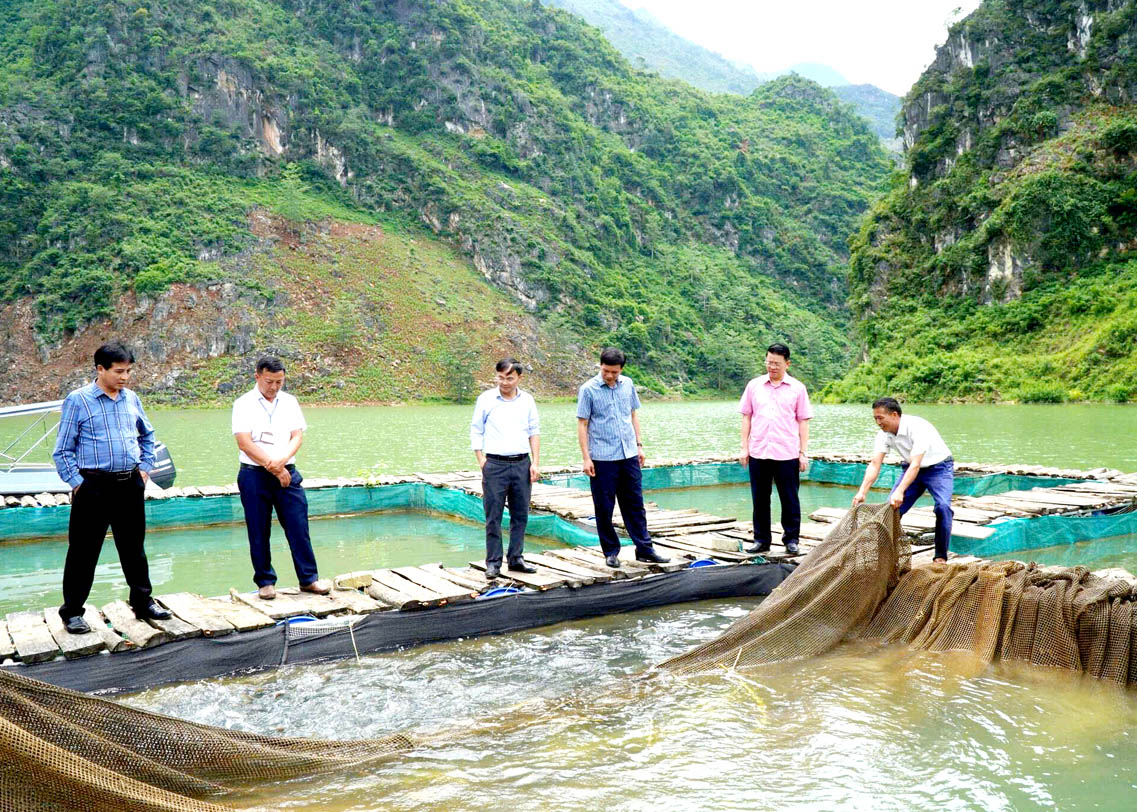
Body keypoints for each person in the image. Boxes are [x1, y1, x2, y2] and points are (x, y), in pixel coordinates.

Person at [52, 341, 172, 634]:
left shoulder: (131, 399)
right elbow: (62, 450)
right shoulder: (78, 400)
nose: (125, 377)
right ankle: (72, 612)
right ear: (100, 369)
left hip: (128, 483)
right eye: (119, 371)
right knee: (83, 551)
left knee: (133, 549)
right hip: (93, 485)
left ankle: (142, 602)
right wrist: (78, 485)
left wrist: (144, 469)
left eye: (129, 371)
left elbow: (148, 435)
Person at [232, 356, 329, 599]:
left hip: (288, 472)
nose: (274, 387)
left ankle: (309, 579)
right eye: (269, 382)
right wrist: (272, 466)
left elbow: (297, 436)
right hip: (254, 475)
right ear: (257, 377)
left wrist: (281, 461)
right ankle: (265, 582)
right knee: (258, 529)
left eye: (279, 382)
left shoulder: (289, 402)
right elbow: (244, 442)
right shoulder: (243, 404)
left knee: (298, 526)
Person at [576, 348, 669, 569]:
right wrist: (586, 458)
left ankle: (645, 549)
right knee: (604, 507)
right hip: (602, 458)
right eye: (606, 371)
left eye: (614, 372)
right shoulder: (588, 390)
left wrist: (639, 445)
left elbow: (633, 415)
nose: (610, 376)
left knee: (635, 504)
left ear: (621, 369)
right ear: (600, 366)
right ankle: (610, 551)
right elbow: (582, 424)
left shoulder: (627, 384)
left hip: (628, 454)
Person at [852, 397, 954, 563]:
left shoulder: (918, 427)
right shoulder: (883, 434)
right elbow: (875, 463)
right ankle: (884, 555)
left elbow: (916, 464)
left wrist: (900, 491)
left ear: (894, 415)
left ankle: (940, 557)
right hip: (910, 469)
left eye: (880, 418)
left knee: (943, 507)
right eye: (875, 418)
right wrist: (862, 492)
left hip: (938, 468)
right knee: (890, 510)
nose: (878, 422)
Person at [738, 343, 813, 556]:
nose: (772, 367)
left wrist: (803, 452)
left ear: (787, 364)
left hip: (787, 452)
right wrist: (744, 448)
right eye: (769, 362)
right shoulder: (754, 386)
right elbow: (746, 416)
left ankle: (791, 540)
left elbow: (803, 421)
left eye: (777, 363)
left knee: (789, 498)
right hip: (758, 451)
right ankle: (761, 540)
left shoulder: (798, 388)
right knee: (760, 499)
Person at [470, 358, 541, 579]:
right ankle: (493, 562)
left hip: (522, 463)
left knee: (521, 514)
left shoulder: (527, 400)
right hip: (495, 465)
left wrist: (535, 462)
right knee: (493, 516)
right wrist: (481, 459)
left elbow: (534, 431)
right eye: (500, 377)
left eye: (509, 378)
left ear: (519, 377)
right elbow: (476, 430)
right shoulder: (486, 399)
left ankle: (516, 558)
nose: (505, 382)